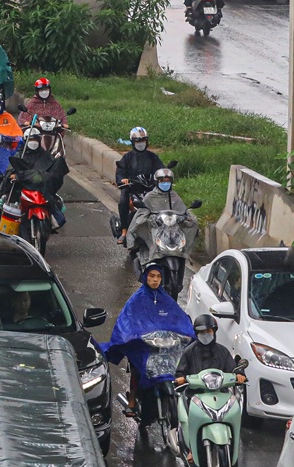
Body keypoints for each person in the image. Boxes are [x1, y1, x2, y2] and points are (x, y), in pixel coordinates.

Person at [101, 262, 196, 430]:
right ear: (145, 277)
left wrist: (187, 332)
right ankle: (132, 400)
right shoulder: (136, 300)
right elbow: (127, 322)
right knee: (137, 366)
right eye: (152, 276)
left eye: (158, 276)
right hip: (143, 346)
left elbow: (177, 318)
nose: (155, 280)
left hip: (163, 346)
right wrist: (136, 336)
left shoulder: (166, 299)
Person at [7, 126, 69, 233]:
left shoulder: (45, 155)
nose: (33, 142)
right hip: (24, 188)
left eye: (35, 139)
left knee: (55, 203)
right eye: (31, 139)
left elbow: (51, 167)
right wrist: (14, 175)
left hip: (42, 189)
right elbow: (11, 170)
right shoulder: (20, 154)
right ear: (25, 140)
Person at [115, 125, 163, 242]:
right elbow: (120, 172)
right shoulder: (127, 158)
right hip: (132, 188)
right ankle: (124, 230)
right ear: (133, 142)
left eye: (143, 140)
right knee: (123, 200)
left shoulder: (153, 157)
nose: (141, 143)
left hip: (150, 187)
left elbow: (160, 170)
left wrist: (163, 177)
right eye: (138, 141)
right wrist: (123, 179)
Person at [174, 313, 243, 385]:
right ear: (197, 333)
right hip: (196, 390)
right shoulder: (189, 351)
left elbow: (232, 369)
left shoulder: (223, 351)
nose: (205, 335)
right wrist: (181, 378)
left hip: (220, 390)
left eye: (208, 331)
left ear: (214, 332)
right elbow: (180, 372)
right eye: (202, 332)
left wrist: (239, 375)